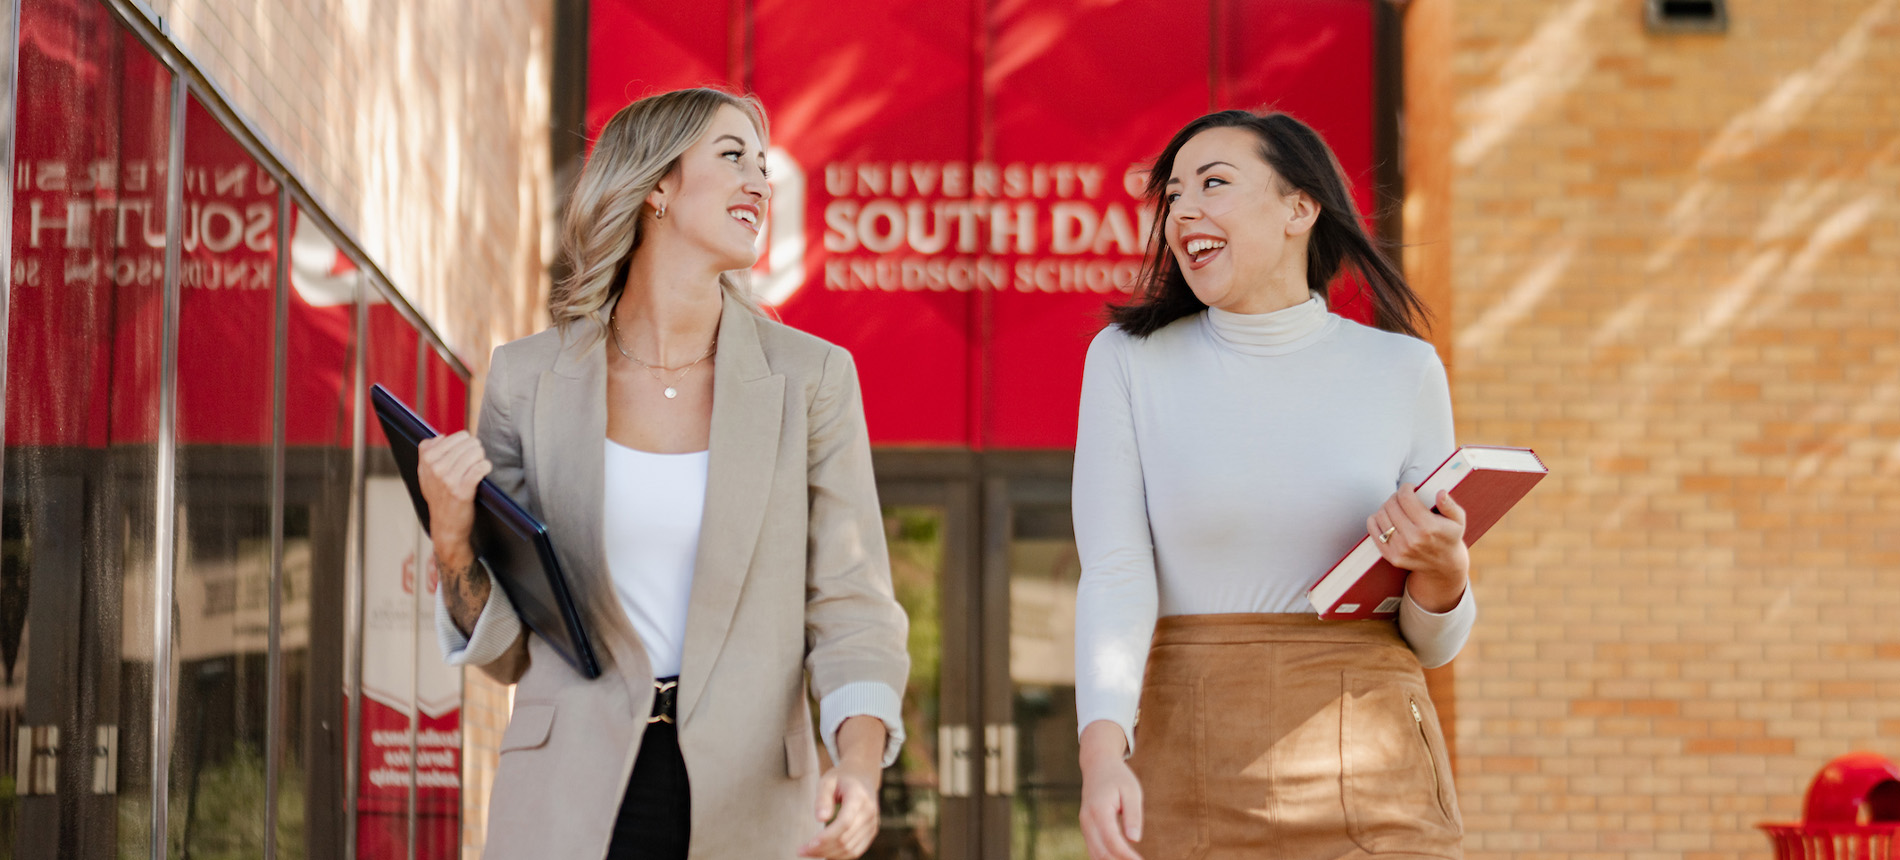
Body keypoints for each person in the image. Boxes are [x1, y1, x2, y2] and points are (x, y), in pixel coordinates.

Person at [415, 87, 909, 860]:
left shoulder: (812, 379)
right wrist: (452, 542)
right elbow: (513, 649)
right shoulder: (526, 381)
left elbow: (852, 607)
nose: (760, 180)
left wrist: (857, 765)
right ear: (656, 185)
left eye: (763, 163)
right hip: (568, 798)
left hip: (751, 801)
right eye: (732, 155)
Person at [1071, 109, 1477, 860]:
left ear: (1300, 207)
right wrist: (1102, 756)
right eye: (1172, 195)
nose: (1183, 209)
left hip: (1376, 761)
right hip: (1189, 748)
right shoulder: (1128, 361)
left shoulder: (1404, 371)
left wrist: (1447, 574)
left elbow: (1430, 642)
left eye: (1213, 184)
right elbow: (1116, 574)